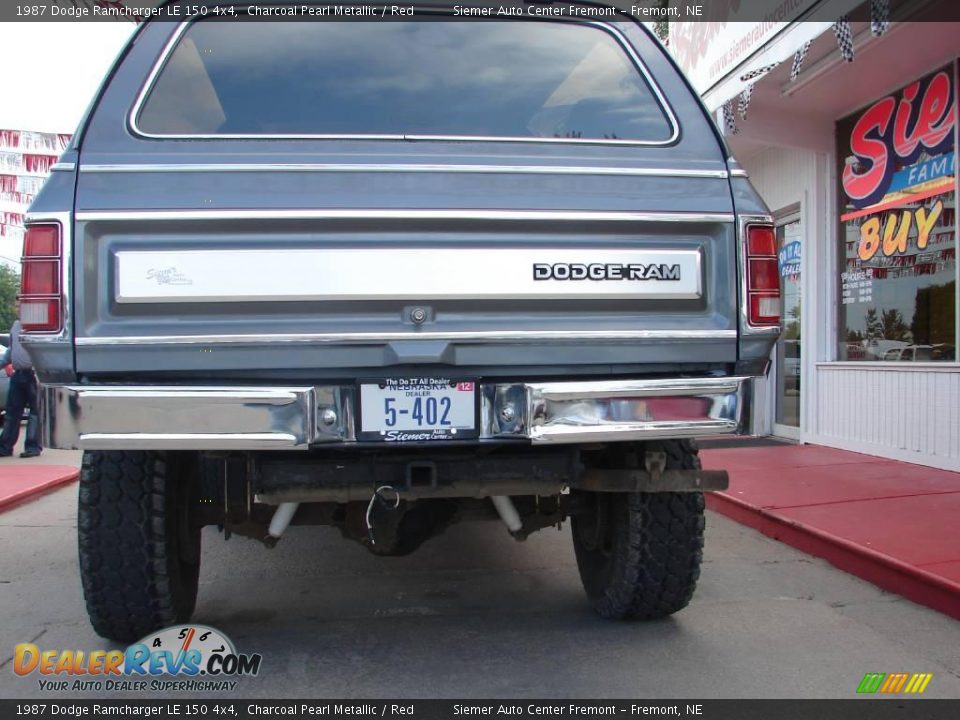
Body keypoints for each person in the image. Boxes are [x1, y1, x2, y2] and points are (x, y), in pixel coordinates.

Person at [0, 302, 42, 458]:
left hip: (34, 374)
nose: (17, 309)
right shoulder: (16, 325)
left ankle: (32, 447)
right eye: (16, 306)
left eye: (20, 306)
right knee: (12, 412)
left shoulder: (38, 326)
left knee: (35, 413)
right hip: (18, 375)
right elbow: (11, 349)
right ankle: (5, 447)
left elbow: (42, 349)